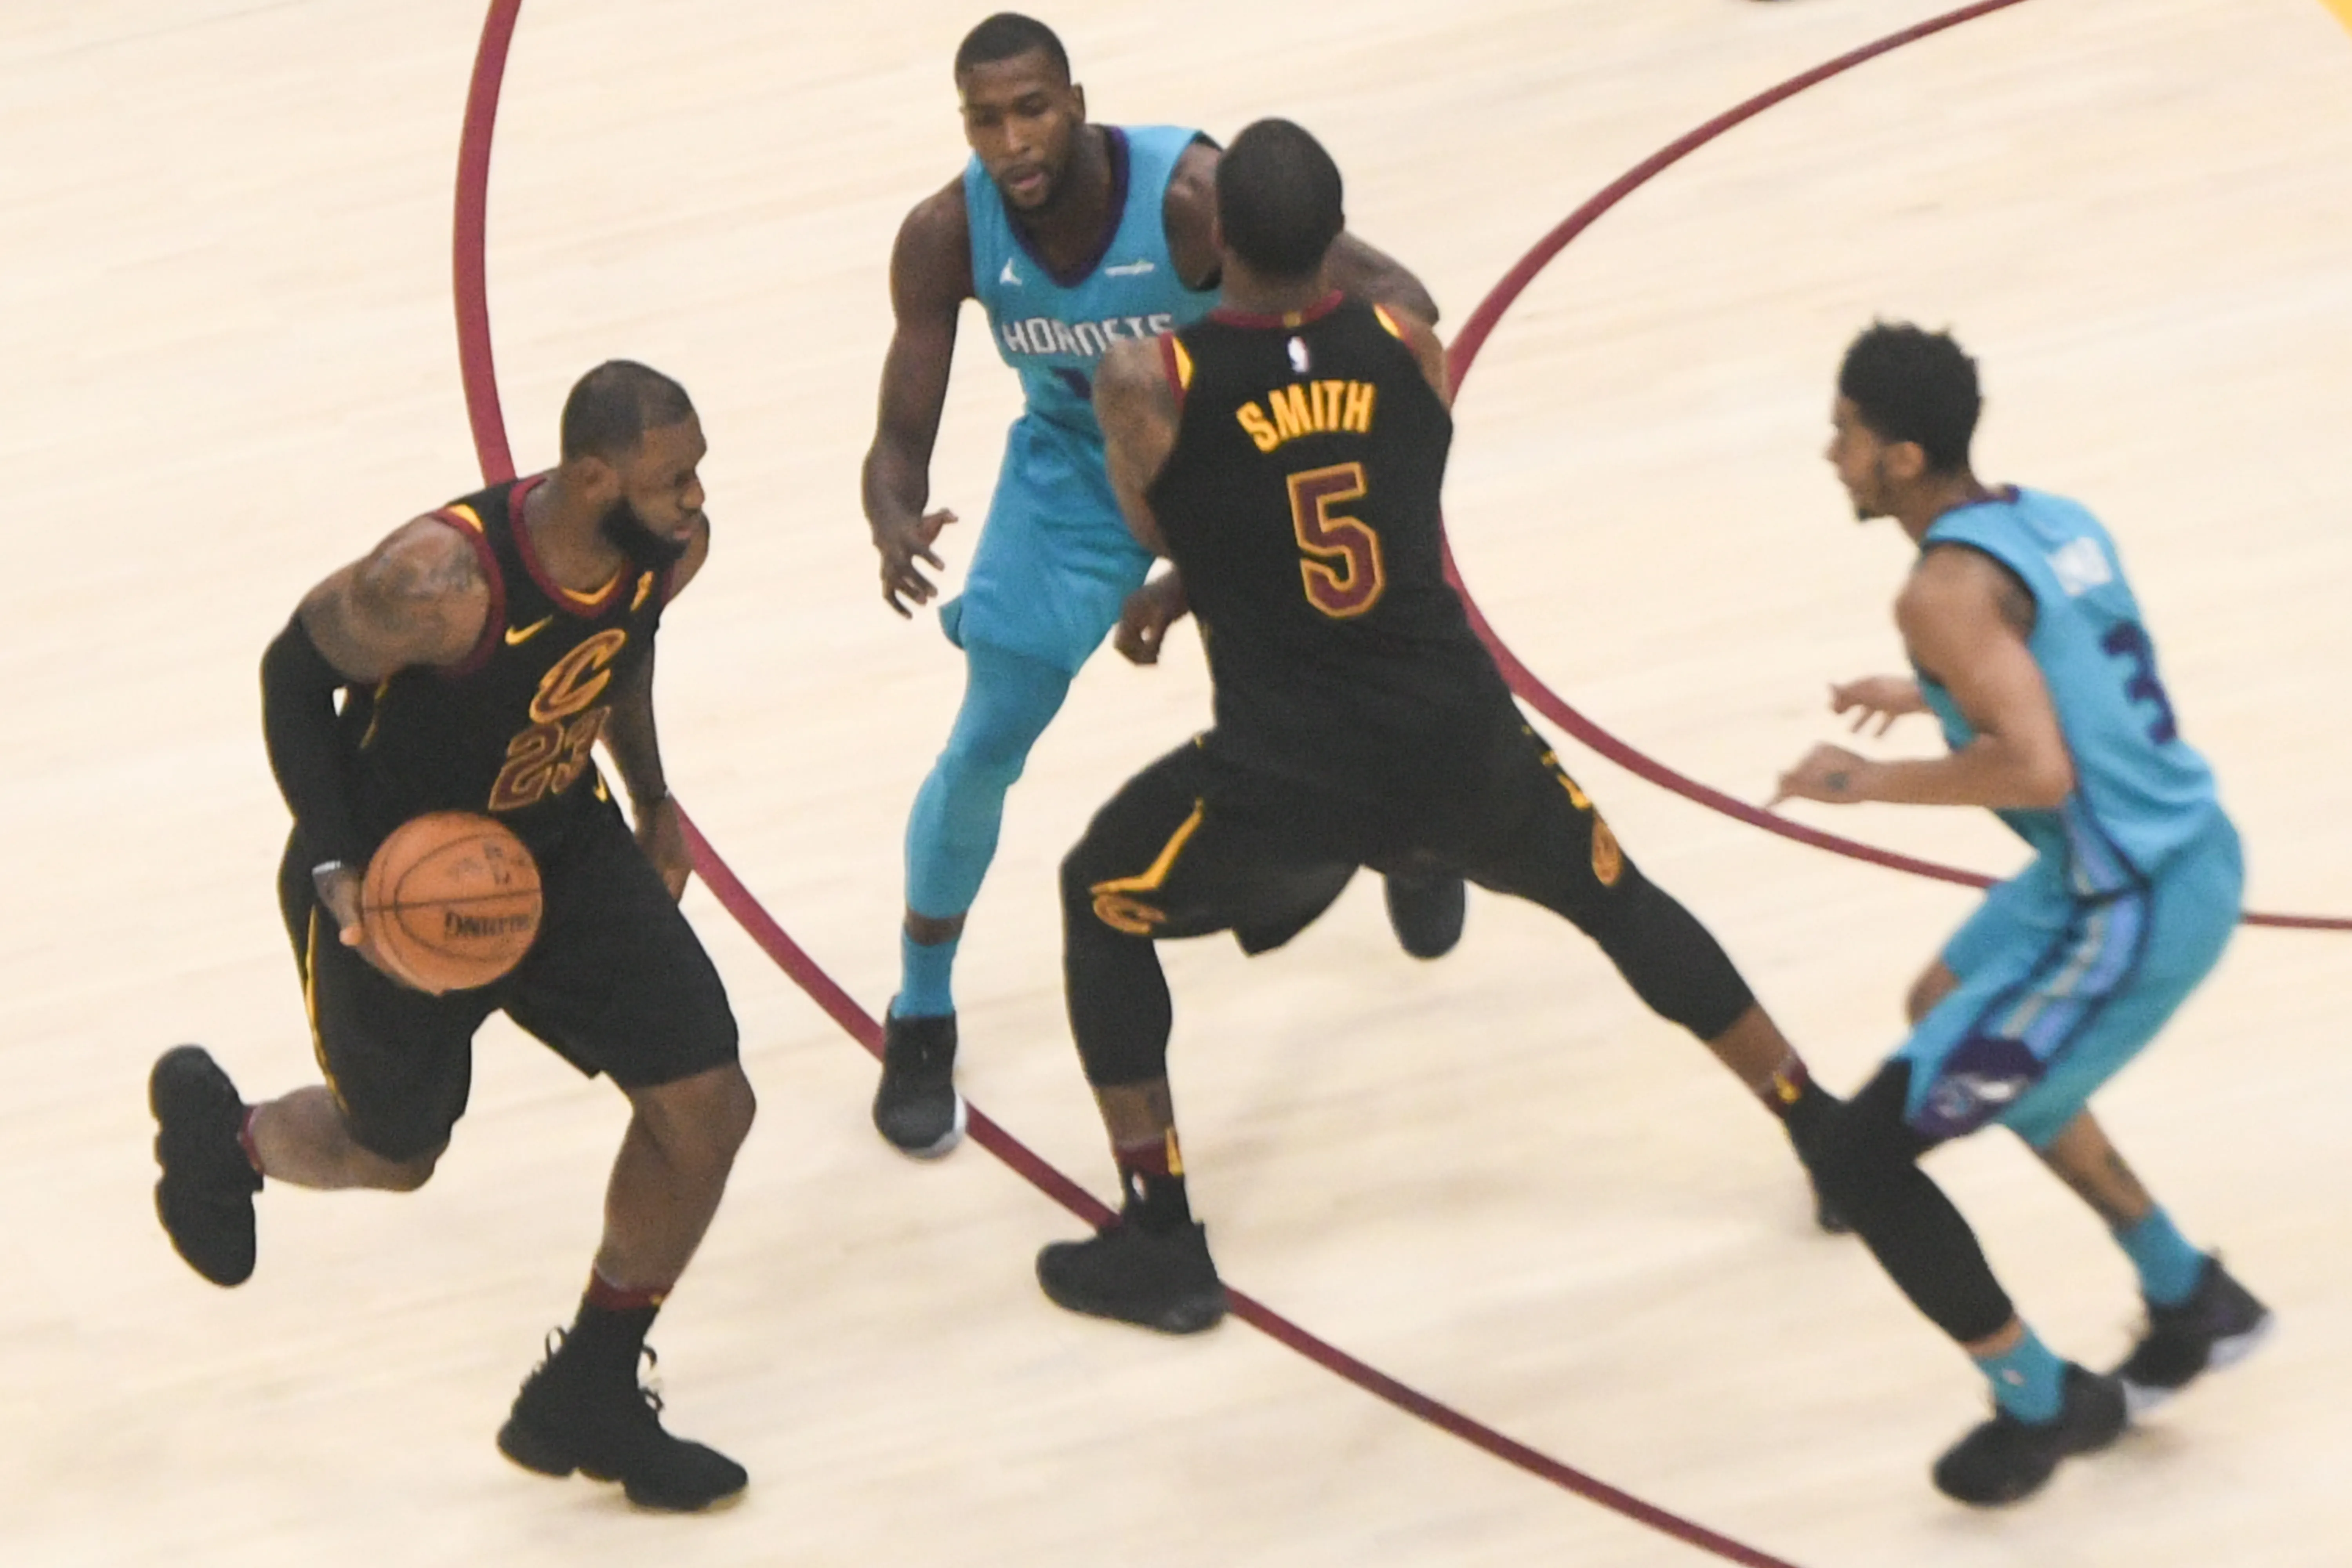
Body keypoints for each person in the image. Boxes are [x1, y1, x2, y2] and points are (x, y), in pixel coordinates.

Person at [1030, 117, 1837, 1338]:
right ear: (1336, 235)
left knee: (1101, 895)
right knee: (1624, 904)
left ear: (1216, 236)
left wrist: (1182, 583)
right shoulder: (1410, 345)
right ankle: (1821, 1129)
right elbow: (1356, 473)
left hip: (1287, 769)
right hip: (1458, 733)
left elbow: (1167, 526)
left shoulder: (1152, 378)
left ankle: (1161, 1233)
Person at [148, 362, 757, 1512]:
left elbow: (618, 654)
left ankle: (591, 1385)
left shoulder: (670, 549)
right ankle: (229, 1140)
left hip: (557, 849)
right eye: (674, 476)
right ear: (591, 477)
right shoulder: (436, 581)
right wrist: (338, 869)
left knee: (709, 1106)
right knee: (400, 1154)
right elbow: (291, 676)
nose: (695, 495)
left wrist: (656, 799)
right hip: (401, 885)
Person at [859, 12, 1463, 1159]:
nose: (1013, 140)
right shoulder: (948, 233)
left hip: (1228, 447)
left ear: (1077, 103)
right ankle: (923, 1010)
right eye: (986, 120)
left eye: (1032, 109)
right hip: (1079, 475)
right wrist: (894, 515)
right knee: (986, 740)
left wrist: (1329, 423)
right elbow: (901, 433)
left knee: (1360, 680)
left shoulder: (1192, 197)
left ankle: (1418, 841)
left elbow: (1400, 295)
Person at [1773, 322, 2271, 1506]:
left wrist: (1871, 780)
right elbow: (2064, 666)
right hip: (2143, 854)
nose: (1829, 451)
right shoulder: (2048, 519)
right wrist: (1927, 690)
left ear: (1899, 458)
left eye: (1845, 431)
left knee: (1863, 1155)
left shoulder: (1937, 589)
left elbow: (2039, 768)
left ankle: (2040, 1401)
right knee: (1945, 1007)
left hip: (2132, 902)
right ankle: (2189, 1292)